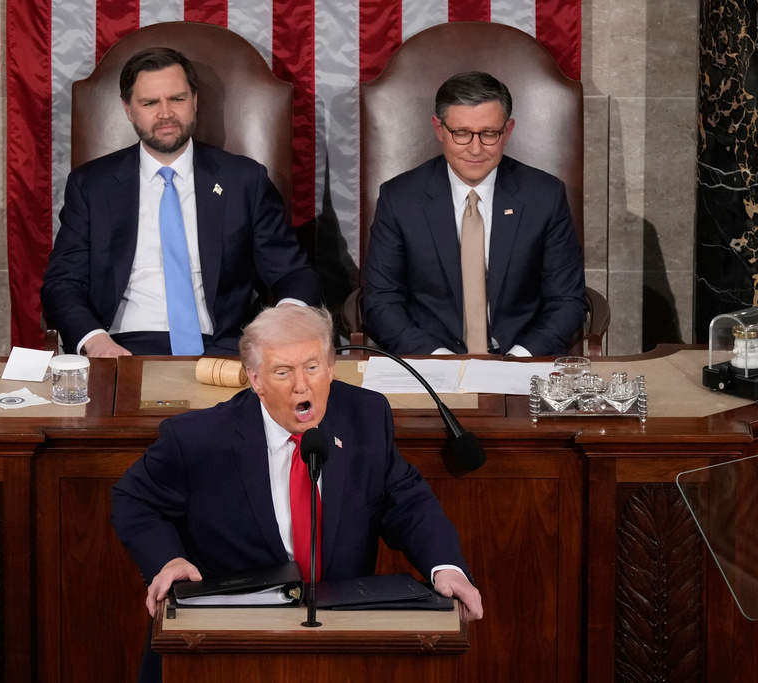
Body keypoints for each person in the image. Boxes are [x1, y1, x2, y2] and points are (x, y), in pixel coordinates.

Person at [111, 305, 483, 681]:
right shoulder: (199, 438)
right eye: (282, 372)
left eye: (312, 366)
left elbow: (407, 501)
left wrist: (445, 565)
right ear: (255, 380)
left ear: (331, 367)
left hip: (341, 642)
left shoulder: (366, 416)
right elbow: (133, 499)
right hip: (232, 642)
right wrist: (167, 561)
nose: (301, 385)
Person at [41, 47, 321, 357]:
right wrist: (95, 342)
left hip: (222, 348)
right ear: (128, 109)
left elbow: (294, 273)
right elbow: (63, 282)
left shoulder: (243, 180)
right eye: (149, 103)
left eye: (177, 99)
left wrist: (284, 320)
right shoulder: (92, 185)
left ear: (195, 101)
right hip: (121, 347)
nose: (165, 114)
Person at [362, 71, 586, 357]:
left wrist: (521, 357)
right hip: (430, 360)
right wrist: (436, 358)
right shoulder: (400, 198)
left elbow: (566, 300)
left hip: (521, 358)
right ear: (439, 129)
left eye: (489, 133)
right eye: (462, 133)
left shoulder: (544, 196)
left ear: (508, 131)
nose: (476, 149)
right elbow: (381, 302)